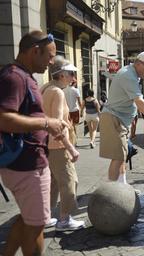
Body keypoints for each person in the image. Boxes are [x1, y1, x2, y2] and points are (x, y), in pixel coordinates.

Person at [0, 30, 68, 256]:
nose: (52, 62)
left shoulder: (21, 75)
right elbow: (4, 118)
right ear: (34, 51)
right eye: (49, 56)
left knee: (28, 219)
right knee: (37, 224)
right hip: (27, 165)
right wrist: (46, 123)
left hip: (26, 162)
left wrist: (48, 125)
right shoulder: (15, 77)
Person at [99, 51, 144, 184]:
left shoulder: (133, 74)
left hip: (120, 119)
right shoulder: (128, 75)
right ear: (139, 64)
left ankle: (122, 188)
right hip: (114, 118)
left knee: (123, 155)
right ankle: (112, 193)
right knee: (118, 157)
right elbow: (140, 102)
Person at [41, 55, 85, 231]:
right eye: (71, 74)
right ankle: (64, 220)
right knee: (69, 182)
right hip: (58, 147)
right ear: (61, 75)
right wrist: (71, 149)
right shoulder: (58, 92)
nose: (74, 78)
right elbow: (57, 126)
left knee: (52, 183)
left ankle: (45, 217)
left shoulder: (45, 88)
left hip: (46, 145)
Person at [63, 78, 82, 145]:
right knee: (74, 126)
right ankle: (74, 140)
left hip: (67, 111)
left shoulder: (64, 90)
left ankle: (70, 140)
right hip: (75, 110)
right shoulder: (76, 90)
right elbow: (79, 102)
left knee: (68, 125)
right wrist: (82, 110)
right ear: (75, 83)